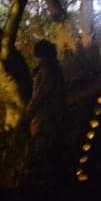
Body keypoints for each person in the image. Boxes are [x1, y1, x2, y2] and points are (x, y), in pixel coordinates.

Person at [25, 39, 68, 183]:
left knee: (46, 155)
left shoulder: (48, 70)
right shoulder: (51, 68)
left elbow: (42, 92)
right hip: (49, 118)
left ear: (41, 55)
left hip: (47, 119)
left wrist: (30, 108)